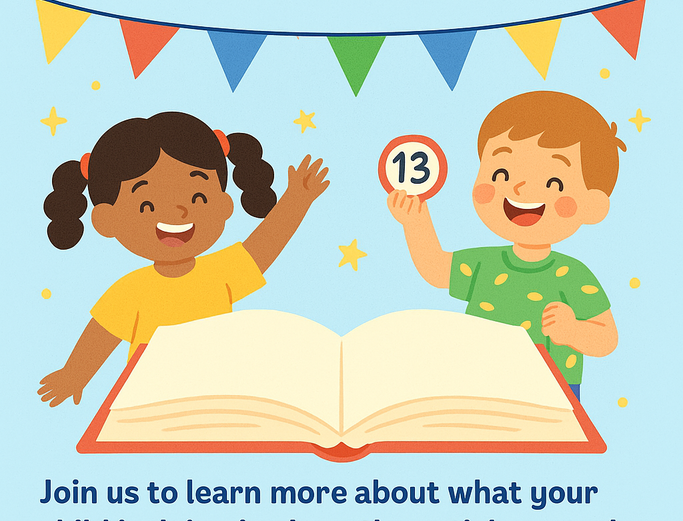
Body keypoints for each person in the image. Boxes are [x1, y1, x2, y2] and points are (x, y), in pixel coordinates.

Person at [39, 111, 329, 407]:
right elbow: (102, 335)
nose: (178, 214)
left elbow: (263, 248)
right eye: (147, 205)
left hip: (221, 394)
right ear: (107, 220)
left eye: (198, 198)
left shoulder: (220, 272)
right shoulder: (130, 291)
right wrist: (74, 376)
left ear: (224, 205)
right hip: (153, 401)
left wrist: (297, 200)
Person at [387, 91, 624, 399]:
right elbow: (437, 270)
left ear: (592, 206)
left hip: (552, 391)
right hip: (480, 382)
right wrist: (415, 223)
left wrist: (573, 331)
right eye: (501, 173)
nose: (520, 187)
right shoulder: (484, 263)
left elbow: (607, 339)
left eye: (554, 182)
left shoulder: (573, 274)